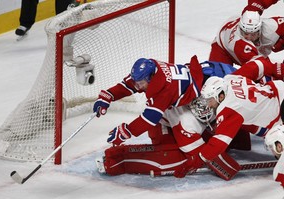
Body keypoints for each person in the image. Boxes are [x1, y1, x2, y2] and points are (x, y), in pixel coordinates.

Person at [93, 57, 254, 180]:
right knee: (159, 135)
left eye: (141, 83)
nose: (138, 87)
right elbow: (129, 84)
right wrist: (109, 95)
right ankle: (216, 139)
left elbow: (150, 117)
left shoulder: (165, 87)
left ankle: (219, 148)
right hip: (195, 95)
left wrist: (126, 131)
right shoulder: (151, 70)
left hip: (205, 96)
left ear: (150, 78)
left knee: (189, 150)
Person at [96, 96, 241, 181]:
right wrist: (230, 168)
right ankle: (119, 160)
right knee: (178, 159)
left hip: (179, 119)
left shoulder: (214, 94)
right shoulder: (187, 123)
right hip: (162, 126)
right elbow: (205, 157)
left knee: (218, 139)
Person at [173, 74, 284, 178]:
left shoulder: (228, 109)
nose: (208, 104)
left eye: (209, 100)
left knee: (275, 141)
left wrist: (196, 161)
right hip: (278, 89)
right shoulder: (229, 79)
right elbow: (252, 69)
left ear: (220, 96)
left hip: (279, 115)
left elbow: (218, 144)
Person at [208, 0, 284, 80]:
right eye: (246, 33)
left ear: (260, 29)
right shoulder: (239, 43)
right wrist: (279, 69)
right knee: (217, 81)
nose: (249, 37)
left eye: (253, 34)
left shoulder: (254, 14)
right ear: (241, 29)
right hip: (223, 48)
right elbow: (260, 66)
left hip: (254, 53)